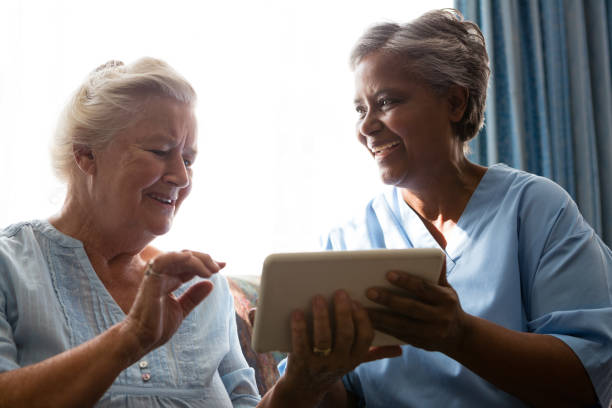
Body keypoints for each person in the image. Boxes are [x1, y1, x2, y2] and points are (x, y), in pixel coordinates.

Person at [0, 58, 398, 407]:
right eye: (159, 151)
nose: (181, 176)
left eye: (188, 158)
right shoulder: (11, 266)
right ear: (86, 154)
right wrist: (131, 338)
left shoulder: (202, 290)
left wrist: (301, 383)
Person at [279, 8, 612, 407]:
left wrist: (459, 335)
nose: (366, 126)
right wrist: (312, 376)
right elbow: (343, 398)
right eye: (360, 109)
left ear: (454, 102)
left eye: (386, 101)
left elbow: (591, 380)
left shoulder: (534, 208)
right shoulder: (346, 240)